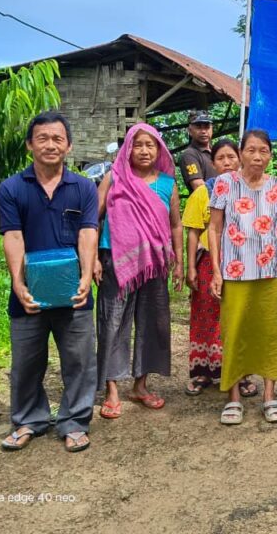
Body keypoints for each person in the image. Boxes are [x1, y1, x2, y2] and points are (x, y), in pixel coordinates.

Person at [0, 112, 99, 453]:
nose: (50, 145)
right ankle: (28, 419)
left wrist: (86, 276)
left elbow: (88, 233)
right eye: (42, 138)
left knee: (79, 361)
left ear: (68, 146)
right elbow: (12, 236)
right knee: (26, 360)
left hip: (74, 291)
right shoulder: (12, 188)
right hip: (30, 294)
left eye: (57, 138)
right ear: (30, 144)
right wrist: (18, 283)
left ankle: (74, 422)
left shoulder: (84, 187)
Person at [94, 123, 183, 419]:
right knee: (112, 322)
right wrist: (92, 259)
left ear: (159, 149)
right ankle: (112, 390)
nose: (144, 150)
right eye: (138, 144)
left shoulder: (168, 184)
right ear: (127, 149)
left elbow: (175, 224)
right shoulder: (114, 178)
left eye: (151, 144)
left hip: (155, 264)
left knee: (152, 322)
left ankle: (141, 385)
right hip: (115, 261)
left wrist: (179, 261)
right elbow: (94, 219)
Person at [208, 129, 277, 424]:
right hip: (234, 273)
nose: (257, 156)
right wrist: (216, 271)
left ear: (270, 155)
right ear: (241, 152)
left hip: (270, 273)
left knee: (270, 332)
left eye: (263, 151)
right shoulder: (224, 184)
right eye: (251, 150)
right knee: (234, 332)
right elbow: (215, 229)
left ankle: (269, 396)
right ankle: (233, 398)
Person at [181, 139, 242, 395]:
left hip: (241, 262)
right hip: (208, 262)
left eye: (231, 156)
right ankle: (204, 372)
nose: (227, 162)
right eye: (221, 158)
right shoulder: (203, 193)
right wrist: (191, 268)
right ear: (212, 163)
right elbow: (193, 233)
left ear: (240, 158)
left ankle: (241, 373)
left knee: (238, 317)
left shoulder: (248, 190)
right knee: (206, 316)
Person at [179, 110, 217, 191]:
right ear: (190, 131)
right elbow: (199, 186)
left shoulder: (217, 152)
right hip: (205, 203)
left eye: (207, 127)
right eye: (198, 127)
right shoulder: (189, 155)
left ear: (212, 129)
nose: (203, 131)